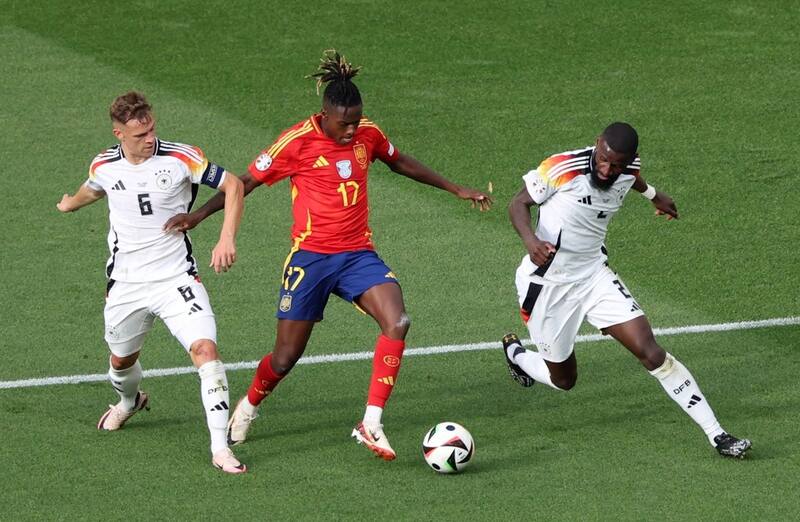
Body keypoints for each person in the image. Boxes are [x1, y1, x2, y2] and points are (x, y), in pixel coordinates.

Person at [164, 50, 492, 461]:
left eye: (356, 121)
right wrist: (198, 216)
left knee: (398, 321)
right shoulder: (297, 142)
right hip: (311, 260)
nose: (352, 130)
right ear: (325, 114)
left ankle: (371, 422)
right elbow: (244, 182)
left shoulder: (368, 133)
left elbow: (399, 162)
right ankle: (249, 405)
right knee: (285, 358)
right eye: (344, 123)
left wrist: (456, 188)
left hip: (358, 256)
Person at [502, 122, 751, 458]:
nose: (607, 170)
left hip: (594, 277)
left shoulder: (627, 168)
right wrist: (531, 242)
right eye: (603, 160)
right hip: (548, 285)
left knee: (651, 351)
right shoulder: (561, 167)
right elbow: (517, 204)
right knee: (563, 380)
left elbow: (632, 177)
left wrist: (655, 196)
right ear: (597, 144)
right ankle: (517, 356)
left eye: (616, 165)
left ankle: (717, 434)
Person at [57, 91, 247, 473]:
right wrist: (70, 203)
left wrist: (226, 237)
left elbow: (234, 185)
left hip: (176, 278)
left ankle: (220, 448)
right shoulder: (104, 165)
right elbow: (93, 188)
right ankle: (129, 402)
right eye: (140, 134)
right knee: (121, 361)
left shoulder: (182, 158)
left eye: (152, 129)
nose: (150, 138)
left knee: (206, 351)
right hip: (126, 284)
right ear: (119, 134)